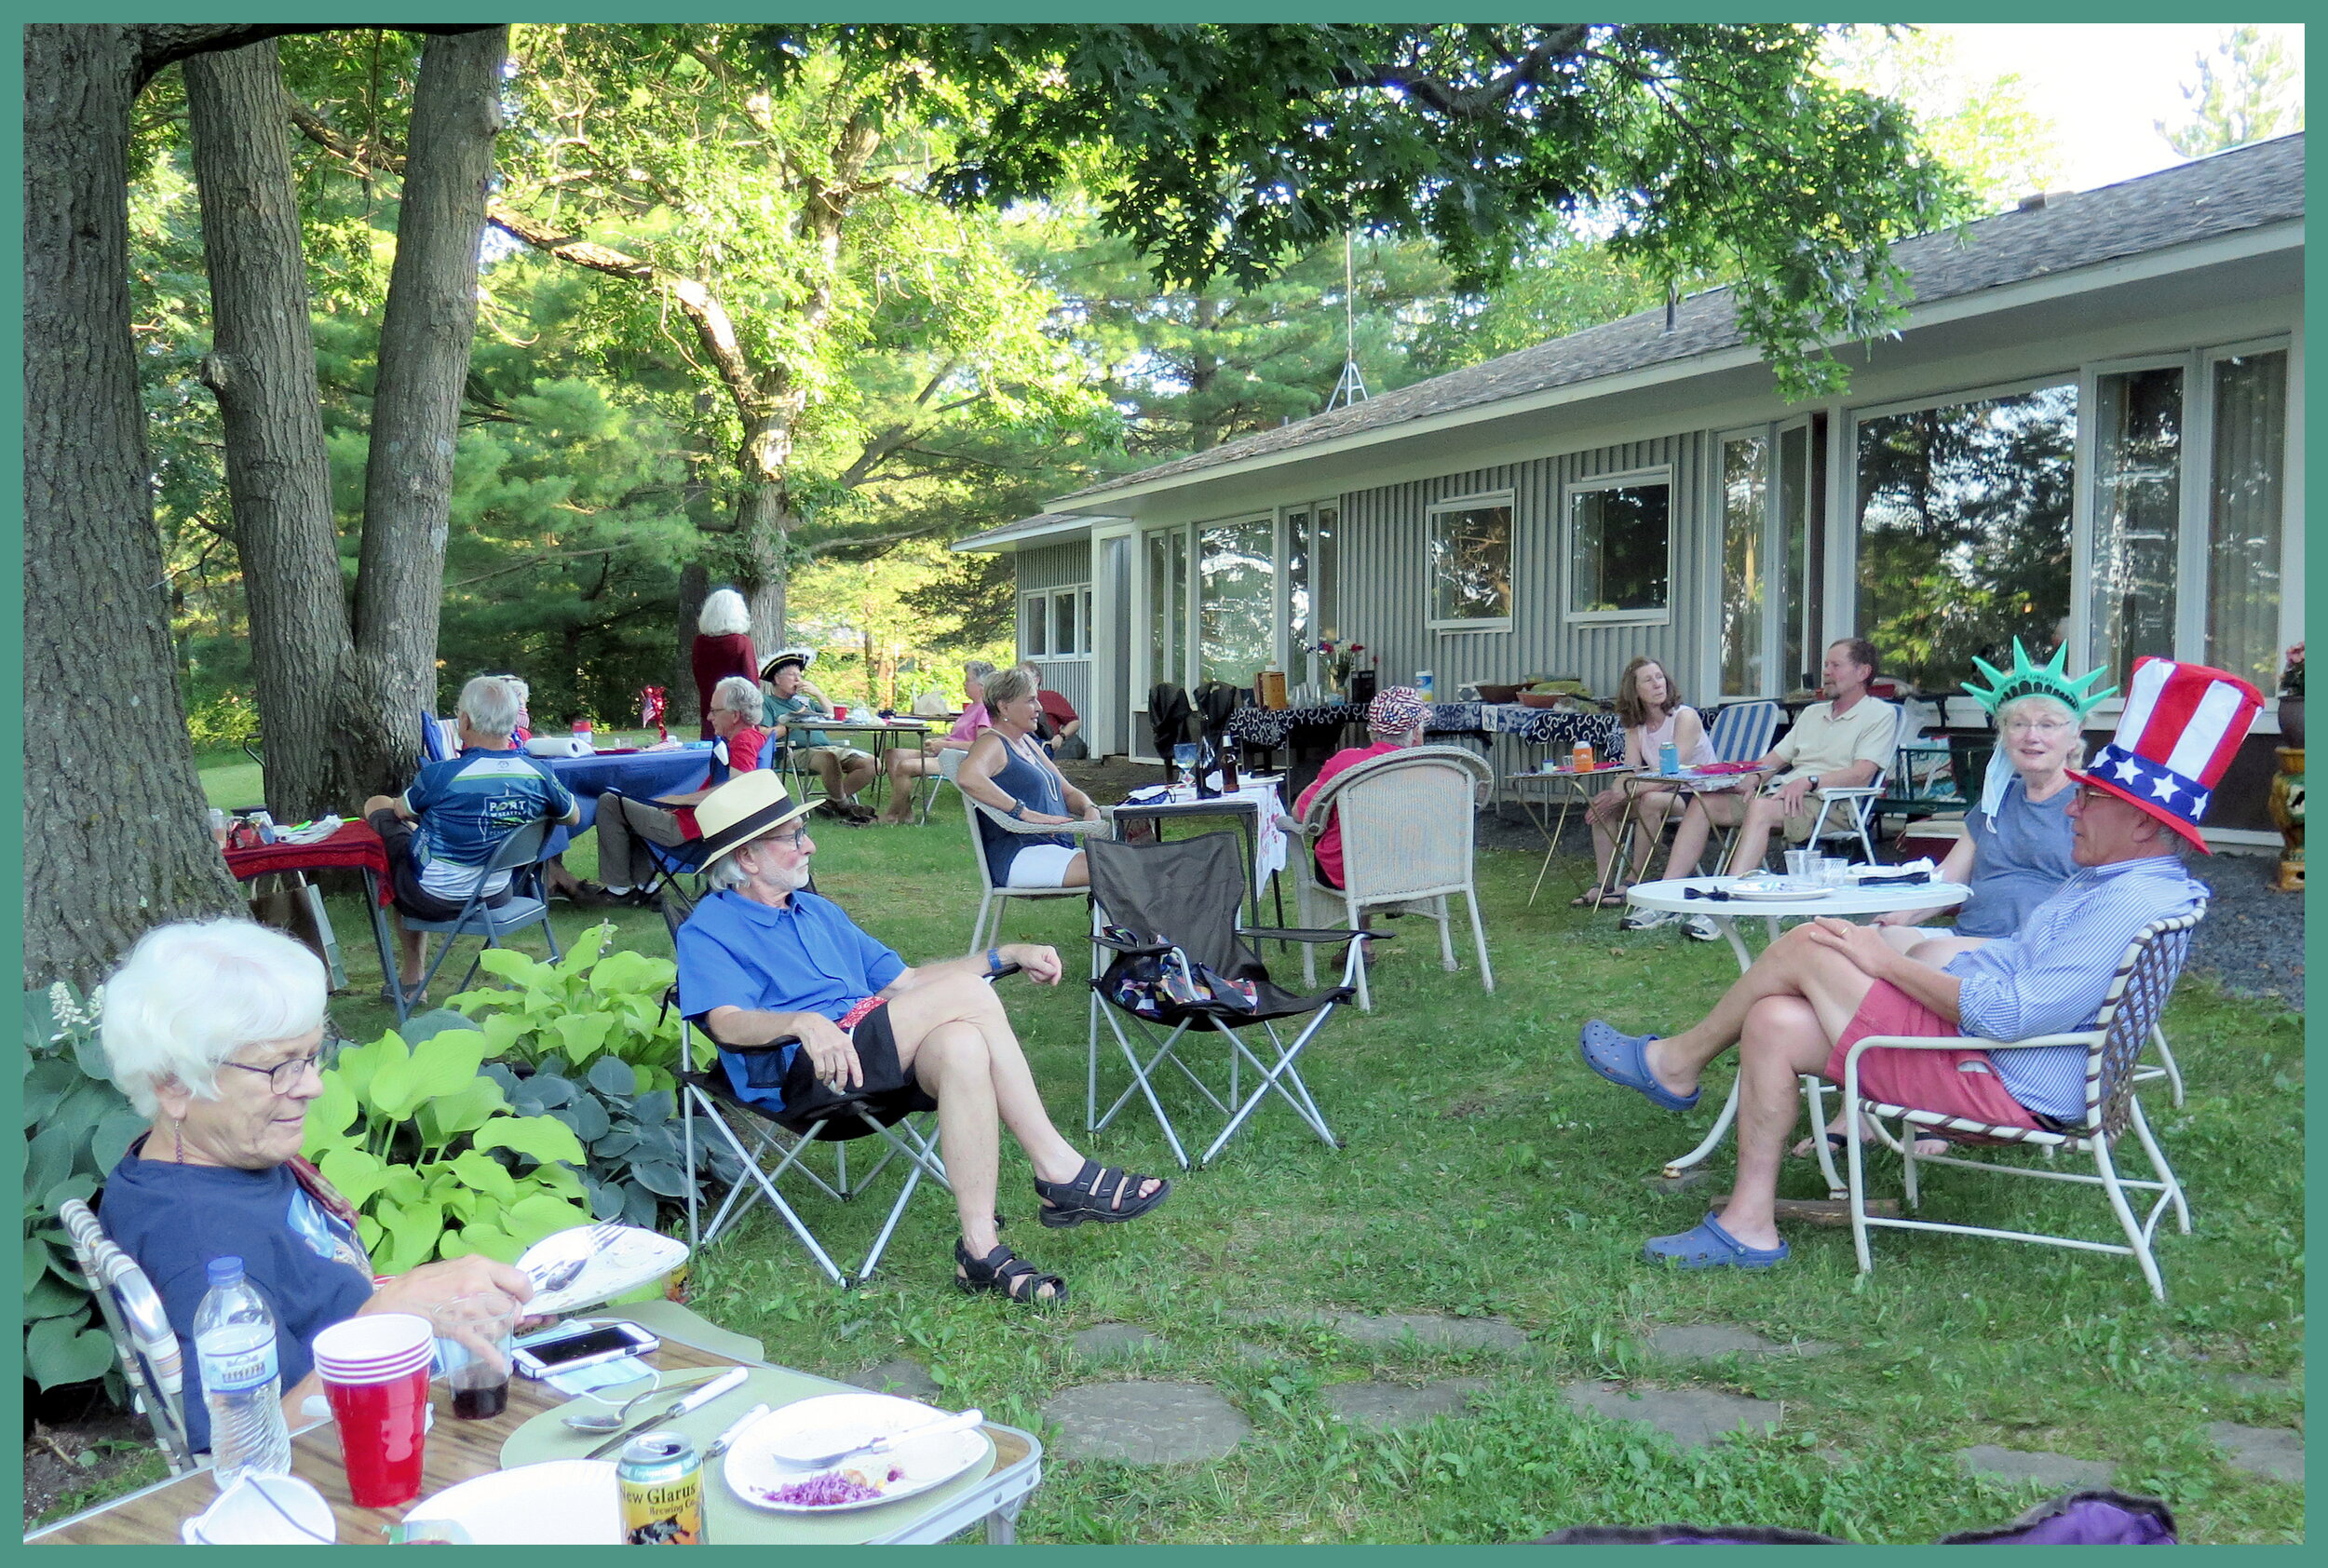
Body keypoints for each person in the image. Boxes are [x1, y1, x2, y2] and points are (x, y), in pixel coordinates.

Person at [1576, 656, 2260, 1271]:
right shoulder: (2125, 881)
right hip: (2006, 1058)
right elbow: (2017, 963)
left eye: (2092, 799)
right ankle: (1748, 1224)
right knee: (1777, 1021)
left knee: (1817, 941)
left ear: (2144, 823)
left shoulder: (2122, 899)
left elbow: (2007, 1013)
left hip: (2004, 1080)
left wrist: (1886, 961)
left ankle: (1678, 1063)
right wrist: (1923, 953)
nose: (2075, 808)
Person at [673, 771, 1171, 1303]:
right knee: (967, 998)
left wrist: (1006, 955)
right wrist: (799, 1022)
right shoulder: (710, 929)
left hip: (871, 1047)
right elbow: (725, 1022)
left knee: (961, 1045)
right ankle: (1059, 1170)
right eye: (794, 836)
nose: (810, 844)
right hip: (805, 1072)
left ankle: (979, 1249)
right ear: (748, 858)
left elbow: (907, 983)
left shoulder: (816, 911)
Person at [96, 920, 538, 1453]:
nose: (312, 1085)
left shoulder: (211, 1159)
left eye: (309, 1056)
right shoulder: (200, 1248)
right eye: (278, 1068)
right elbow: (245, 1451)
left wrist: (437, 1301)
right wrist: (385, 1317)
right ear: (173, 1084)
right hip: (357, 1450)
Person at [1796, 641, 2118, 1161]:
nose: (2032, 735)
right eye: (2018, 724)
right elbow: (1950, 879)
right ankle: (1867, 1106)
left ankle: (1919, 1106)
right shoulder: (1997, 800)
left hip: (2026, 952)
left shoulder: (2091, 808)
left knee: (1917, 963)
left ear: (2074, 734)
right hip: (1971, 933)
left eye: (2049, 723)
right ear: (2003, 734)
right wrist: (1902, 916)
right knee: (1869, 944)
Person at [1631, 639, 1898, 940]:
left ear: (1863, 671)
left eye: (1835, 666)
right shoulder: (1812, 714)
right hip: (1784, 798)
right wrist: (1742, 781)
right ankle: (1669, 897)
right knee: (1704, 802)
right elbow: (1770, 763)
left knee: (1760, 808)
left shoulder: (1879, 714)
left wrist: (1809, 781)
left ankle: (1725, 906)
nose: (1826, 672)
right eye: (1826, 665)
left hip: (1831, 805)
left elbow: (1863, 774)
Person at [362, 675, 579, 1007]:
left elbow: (401, 809)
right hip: (496, 892)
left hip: (434, 896)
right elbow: (572, 816)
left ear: (463, 721)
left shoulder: (442, 775)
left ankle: (412, 975)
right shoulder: (539, 774)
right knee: (417, 839)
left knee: (379, 808)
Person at [578, 675, 771, 906]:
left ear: (735, 715)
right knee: (630, 808)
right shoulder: (753, 737)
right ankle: (645, 886)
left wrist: (679, 800)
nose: (709, 717)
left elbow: (736, 788)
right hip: (698, 826)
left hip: (692, 832)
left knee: (610, 802)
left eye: (714, 711)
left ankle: (618, 889)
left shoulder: (744, 740)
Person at [1577, 656, 1717, 908]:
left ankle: (1634, 880)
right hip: (1656, 790)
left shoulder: (1685, 717)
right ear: (1635, 691)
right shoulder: (1636, 726)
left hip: (1695, 794)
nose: (1657, 684)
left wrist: (1626, 792)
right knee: (1604, 809)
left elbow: (1672, 773)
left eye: (1659, 677)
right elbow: (1629, 770)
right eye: (1648, 680)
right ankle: (1603, 884)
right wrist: (1615, 792)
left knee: (1649, 801)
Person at [956, 666, 1106, 889]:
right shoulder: (992, 743)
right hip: (1020, 854)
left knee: (1135, 859)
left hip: (1054, 849)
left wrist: (1089, 807)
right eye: (1030, 700)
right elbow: (968, 777)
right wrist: (1023, 812)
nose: (1039, 707)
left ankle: (1116, 926)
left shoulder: (1026, 741)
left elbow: (1067, 792)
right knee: (1119, 866)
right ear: (1004, 707)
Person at [1289, 685, 1428, 891]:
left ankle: (1361, 918)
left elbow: (1301, 814)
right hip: (1418, 873)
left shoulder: (1347, 763)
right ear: (1416, 733)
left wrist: (1324, 777)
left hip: (1351, 876)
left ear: (1372, 732)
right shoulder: (1434, 768)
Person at [873, 660, 997, 826]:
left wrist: (946, 745)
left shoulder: (984, 710)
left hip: (959, 760)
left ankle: (891, 815)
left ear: (982, 686)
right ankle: (905, 812)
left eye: (968, 680)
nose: (964, 684)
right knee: (892, 754)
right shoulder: (971, 708)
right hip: (945, 752)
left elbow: (981, 746)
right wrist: (941, 741)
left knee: (905, 766)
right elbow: (959, 737)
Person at [761, 652, 877, 824]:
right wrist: (790, 723)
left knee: (872, 763)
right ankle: (845, 806)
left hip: (826, 747)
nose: (798, 680)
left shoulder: (805, 701)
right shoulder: (767, 702)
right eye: (793, 675)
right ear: (777, 679)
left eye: (800, 676)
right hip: (793, 752)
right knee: (828, 759)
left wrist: (819, 694)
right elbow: (763, 734)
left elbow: (836, 716)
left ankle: (831, 803)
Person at [691, 588, 757, 738]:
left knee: (714, 755)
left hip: (710, 710)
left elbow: (699, 677)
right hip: (737, 715)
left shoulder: (699, 643)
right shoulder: (741, 642)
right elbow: (752, 683)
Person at [1016, 662, 1083, 755]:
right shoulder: (1010, 700)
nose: (1018, 681)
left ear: (1036, 680)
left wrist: (1061, 736)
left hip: (1047, 744)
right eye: (1016, 677)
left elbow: (1075, 722)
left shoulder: (1051, 697)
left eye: (1023, 676)